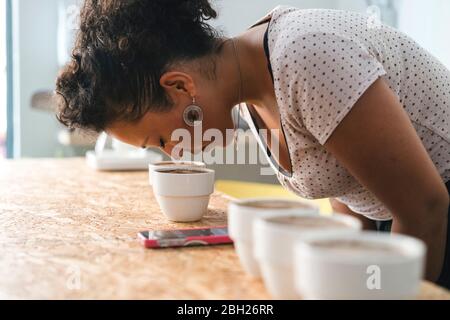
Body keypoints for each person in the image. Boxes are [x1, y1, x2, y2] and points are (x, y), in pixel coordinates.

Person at [55, 0, 450, 288]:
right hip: (401, 224)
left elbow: (426, 209)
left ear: (178, 87)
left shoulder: (305, 56)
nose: (172, 153)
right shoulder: (250, 89)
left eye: (160, 140)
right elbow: (347, 187)